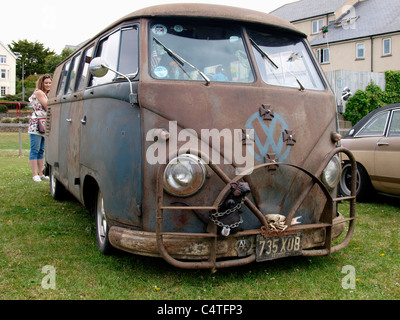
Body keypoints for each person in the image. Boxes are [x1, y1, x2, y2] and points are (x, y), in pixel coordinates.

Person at [27, 74, 52, 182]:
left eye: (50, 83)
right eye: (46, 83)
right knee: (35, 149)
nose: (48, 85)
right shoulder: (39, 93)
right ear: (41, 83)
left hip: (44, 123)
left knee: (41, 150)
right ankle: (34, 174)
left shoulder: (46, 94)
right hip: (36, 124)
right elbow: (48, 106)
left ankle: (41, 173)